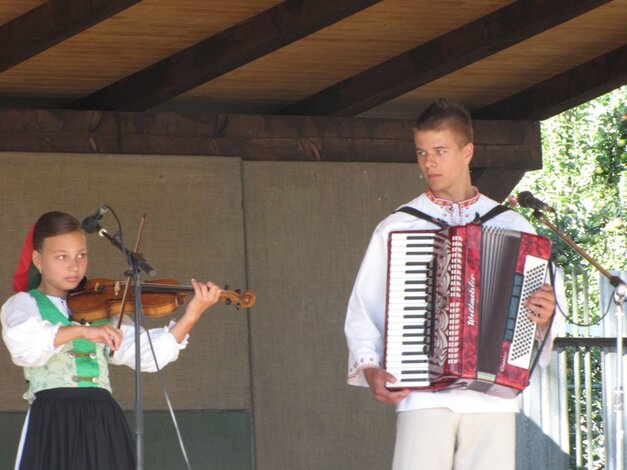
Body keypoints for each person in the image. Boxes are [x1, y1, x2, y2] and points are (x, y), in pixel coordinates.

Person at [344, 98, 564, 470]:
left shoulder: (513, 226)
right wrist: (370, 367)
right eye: (422, 152)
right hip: (422, 392)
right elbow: (363, 308)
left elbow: (546, 307)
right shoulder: (399, 226)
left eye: (440, 151)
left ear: (467, 152)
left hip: (494, 396)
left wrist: (544, 317)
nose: (429, 162)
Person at [1, 211, 223, 470]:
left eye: (81, 255)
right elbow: (25, 347)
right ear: (38, 259)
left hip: (102, 419)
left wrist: (193, 313)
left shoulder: (100, 307)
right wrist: (82, 331)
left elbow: (147, 355)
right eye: (61, 257)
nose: (74, 266)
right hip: (53, 419)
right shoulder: (24, 304)